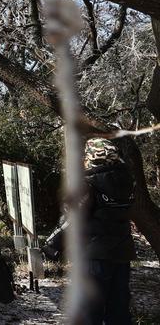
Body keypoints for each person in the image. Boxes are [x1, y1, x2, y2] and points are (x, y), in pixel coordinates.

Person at [83, 139, 135, 324]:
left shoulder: (89, 183)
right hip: (122, 252)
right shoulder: (128, 181)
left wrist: (51, 245)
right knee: (119, 305)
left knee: (92, 308)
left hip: (96, 253)